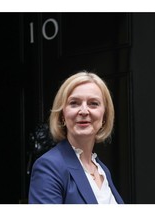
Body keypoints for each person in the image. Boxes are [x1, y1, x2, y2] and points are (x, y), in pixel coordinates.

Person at [28, 71, 124, 204]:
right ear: (62, 115)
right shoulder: (49, 166)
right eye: (74, 103)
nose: (84, 111)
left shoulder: (102, 170)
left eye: (93, 103)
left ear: (104, 116)